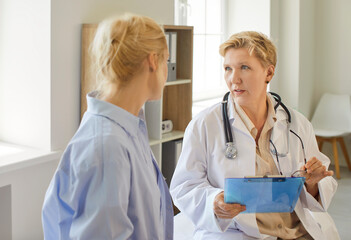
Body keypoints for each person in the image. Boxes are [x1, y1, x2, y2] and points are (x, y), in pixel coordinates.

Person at [170, 31, 339, 240]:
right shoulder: (205, 124)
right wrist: (214, 201)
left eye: (244, 68)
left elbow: (320, 183)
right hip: (238, 231)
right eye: (228, 69)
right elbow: (184, 186)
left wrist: (313, 183)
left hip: (295, 231)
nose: (234, 78)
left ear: (268, 73)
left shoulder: (296, 123)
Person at [42, 14, 173, 239]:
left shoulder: (130, 126)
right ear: (153, 61)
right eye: (166, 61)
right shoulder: (107, 146)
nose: (167, 74)